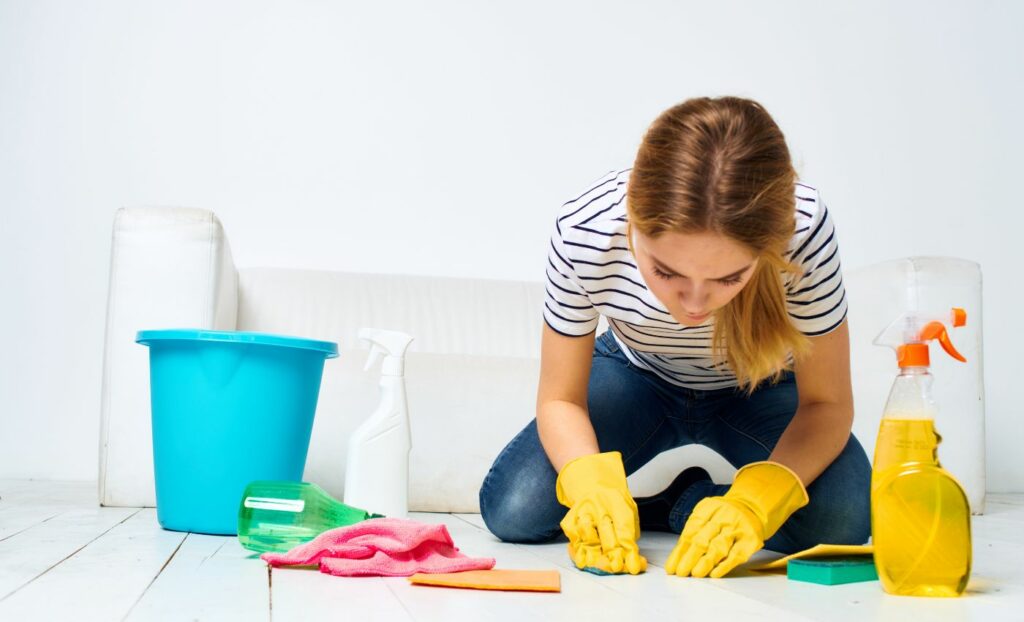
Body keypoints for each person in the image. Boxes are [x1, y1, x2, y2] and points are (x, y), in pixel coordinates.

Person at [478, 96, 871, 579]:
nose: (694, 305)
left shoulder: (803, 228)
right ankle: (654, 503)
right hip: (635, 378)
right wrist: (591, 489)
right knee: (514, 509)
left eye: (729, 278)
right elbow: (560, 400)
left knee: (843, 520)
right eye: (665, 272)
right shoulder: (585, 229)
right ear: (634, 225)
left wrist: (753, 504)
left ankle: (692, 503)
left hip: (761, 387)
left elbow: (827, 404)